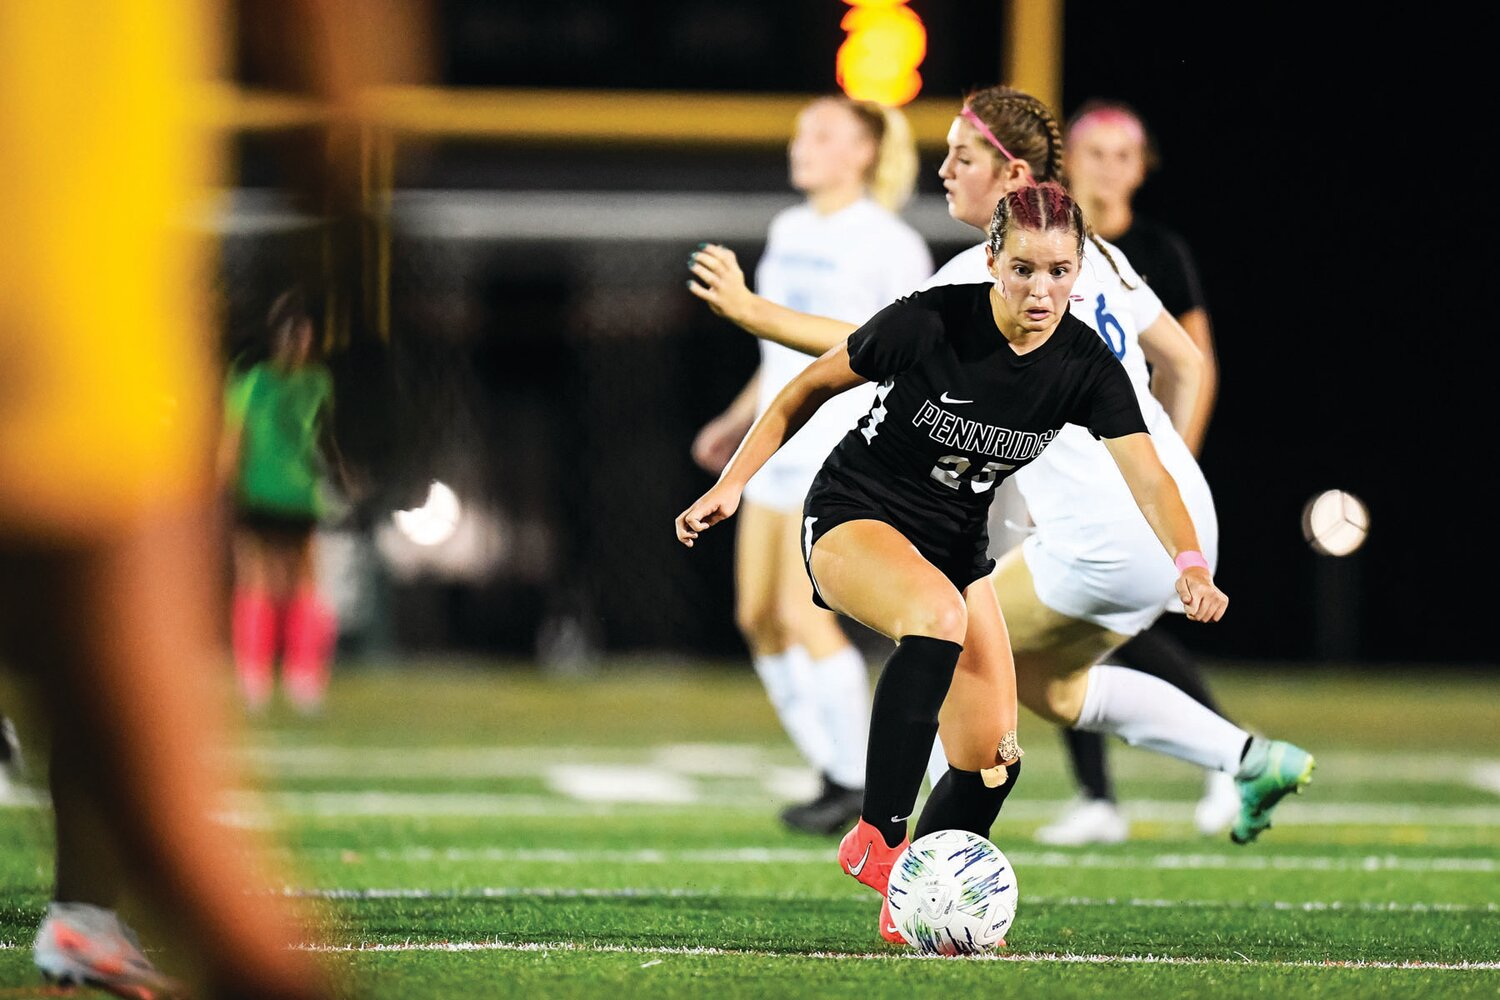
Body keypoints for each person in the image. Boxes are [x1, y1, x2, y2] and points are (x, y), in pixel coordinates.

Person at [686, 85, 1314, 858]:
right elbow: (1184, 362)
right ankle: (1243, 759)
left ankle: (887, 831)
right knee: (1049, 685)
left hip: (1106, 526)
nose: (944, 169)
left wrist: (753, 312)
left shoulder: (993, 270)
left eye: (963, 156)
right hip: (1183, 517)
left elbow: (866, 342)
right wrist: (1171, 475)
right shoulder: (1101, 255)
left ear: (1012, 177)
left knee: (943, 654)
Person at [677, 181, 1229, 942]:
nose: (1043, 289)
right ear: (992, 259)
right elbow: (804, 387)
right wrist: (731, 486)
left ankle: (911, 909)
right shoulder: (931, 320)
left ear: (1079, 270)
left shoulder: (1083, 364)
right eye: (1025, 268)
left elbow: (1150, 476)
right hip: (852, 515)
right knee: (934, 618)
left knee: (992, 760)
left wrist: (1191, 564)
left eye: (1061, 271)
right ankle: (878, 837)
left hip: (955, 548)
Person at [691, 97, 931, 834]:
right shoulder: (789, 228)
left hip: (839, 449)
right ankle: (836, 770)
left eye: (822, 135)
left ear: (863, 153)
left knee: (803, 613)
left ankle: (864, 786)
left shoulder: (889, 244)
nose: (803, 145)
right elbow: (778, 344)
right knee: (758, 617)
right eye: (801, 132)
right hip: (778, 439)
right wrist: (738, 420)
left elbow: (891, 354)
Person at [1034, 99, 1237, 844]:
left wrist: (1170, 468)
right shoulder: (1050, 238)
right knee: (1071, 628)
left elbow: (1191, 363)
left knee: (1088, 626)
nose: (1109, 167)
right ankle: (1102, 795)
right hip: (1059, 468)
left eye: (1124, 155)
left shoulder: (1146, 251)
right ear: (1069, 162)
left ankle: (1227, 754)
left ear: (1142, 167)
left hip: (1120, 469)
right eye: (1095, 152)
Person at [221, 290, 342, 714]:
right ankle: (261, 678)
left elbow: (323, 441)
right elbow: (235, 442)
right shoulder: (254, 380)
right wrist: (226, 490)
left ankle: (297, 679)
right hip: (261, 492)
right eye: (291, 331)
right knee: (261, 582)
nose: (297, 340)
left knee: (300, 585)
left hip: (298, 496)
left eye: (302, 331)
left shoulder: (316, 382)